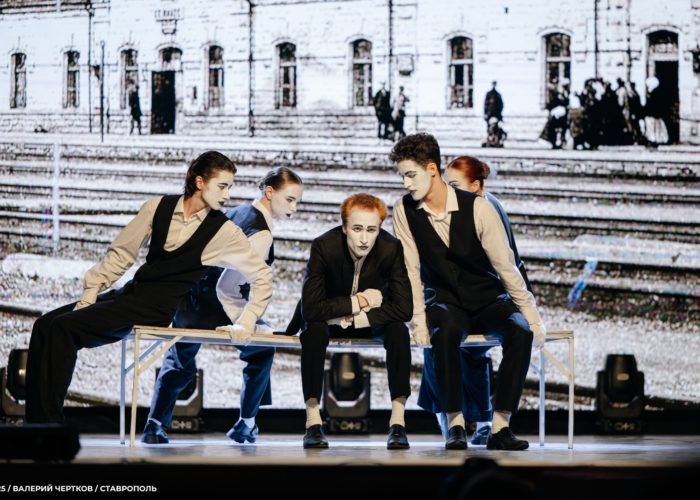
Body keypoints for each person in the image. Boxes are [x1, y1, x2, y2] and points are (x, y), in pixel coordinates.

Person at [25, 151, 273, 424]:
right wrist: (91, 293)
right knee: (44, 326)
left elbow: (262, 276)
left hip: (154, 309)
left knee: (62, 329)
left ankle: (48, 427)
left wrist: (247, 321)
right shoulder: (158, 207)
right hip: (129, 296)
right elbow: (121, 254)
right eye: (222, 186)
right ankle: (34, 424)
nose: (227, 195)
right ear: (200, 182)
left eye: (230, 187)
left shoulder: (224, 231)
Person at [390, 133, 546, 450]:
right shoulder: (404, 210)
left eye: (411, 175)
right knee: (444, 332)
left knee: (520, 331)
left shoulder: (478, 208)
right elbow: (410, 270)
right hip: (445, 301)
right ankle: (456, 424)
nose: (406, 183)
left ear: (431, 169)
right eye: (402, 176)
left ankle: (500, 427)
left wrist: (532, 317)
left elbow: (506, 267)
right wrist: (418, 321)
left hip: (488, 299)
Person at [141, 167, 304, 444]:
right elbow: (227, 288)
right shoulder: (262, 233)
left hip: (188, 302)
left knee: (179, 361)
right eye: (289, 200)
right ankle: (246, 424)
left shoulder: (236, 212)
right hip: (215, 306)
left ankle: (153, 425)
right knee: (263, 350)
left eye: (296, 201)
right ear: (269, 193)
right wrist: (248, 323)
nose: (294, 208)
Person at [419, 156, 534, 446]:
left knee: (451, 348)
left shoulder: (486, 209)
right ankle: (469, 423)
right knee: (451, 341)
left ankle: (475, 423)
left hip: (488, 298)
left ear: (476, 186)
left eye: (454, 185)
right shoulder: (450, 208)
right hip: (460, 302)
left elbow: (509, 261)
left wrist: (526, 307)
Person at [288, 193, 413, 449]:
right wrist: (360, 301)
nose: (364, 239)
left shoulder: (391, 248)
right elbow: (311, 308)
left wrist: (359, 318)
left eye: (371, 230)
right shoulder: (324, 246)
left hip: (368, 321)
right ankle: (313, 422)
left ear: (379, 229)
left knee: (398, 331)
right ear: (345, 227)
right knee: (313, 331)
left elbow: (404, 309)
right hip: (328, 320)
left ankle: (398, 423)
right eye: (357, 229)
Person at [643, 76, 669, 148]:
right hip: (654, 115)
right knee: (655, 129)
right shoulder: (656, 93)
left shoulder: (653, 93)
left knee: (651, 129)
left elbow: (652, 105)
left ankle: (652, 141)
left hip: (651, 114)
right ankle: (653, 141)